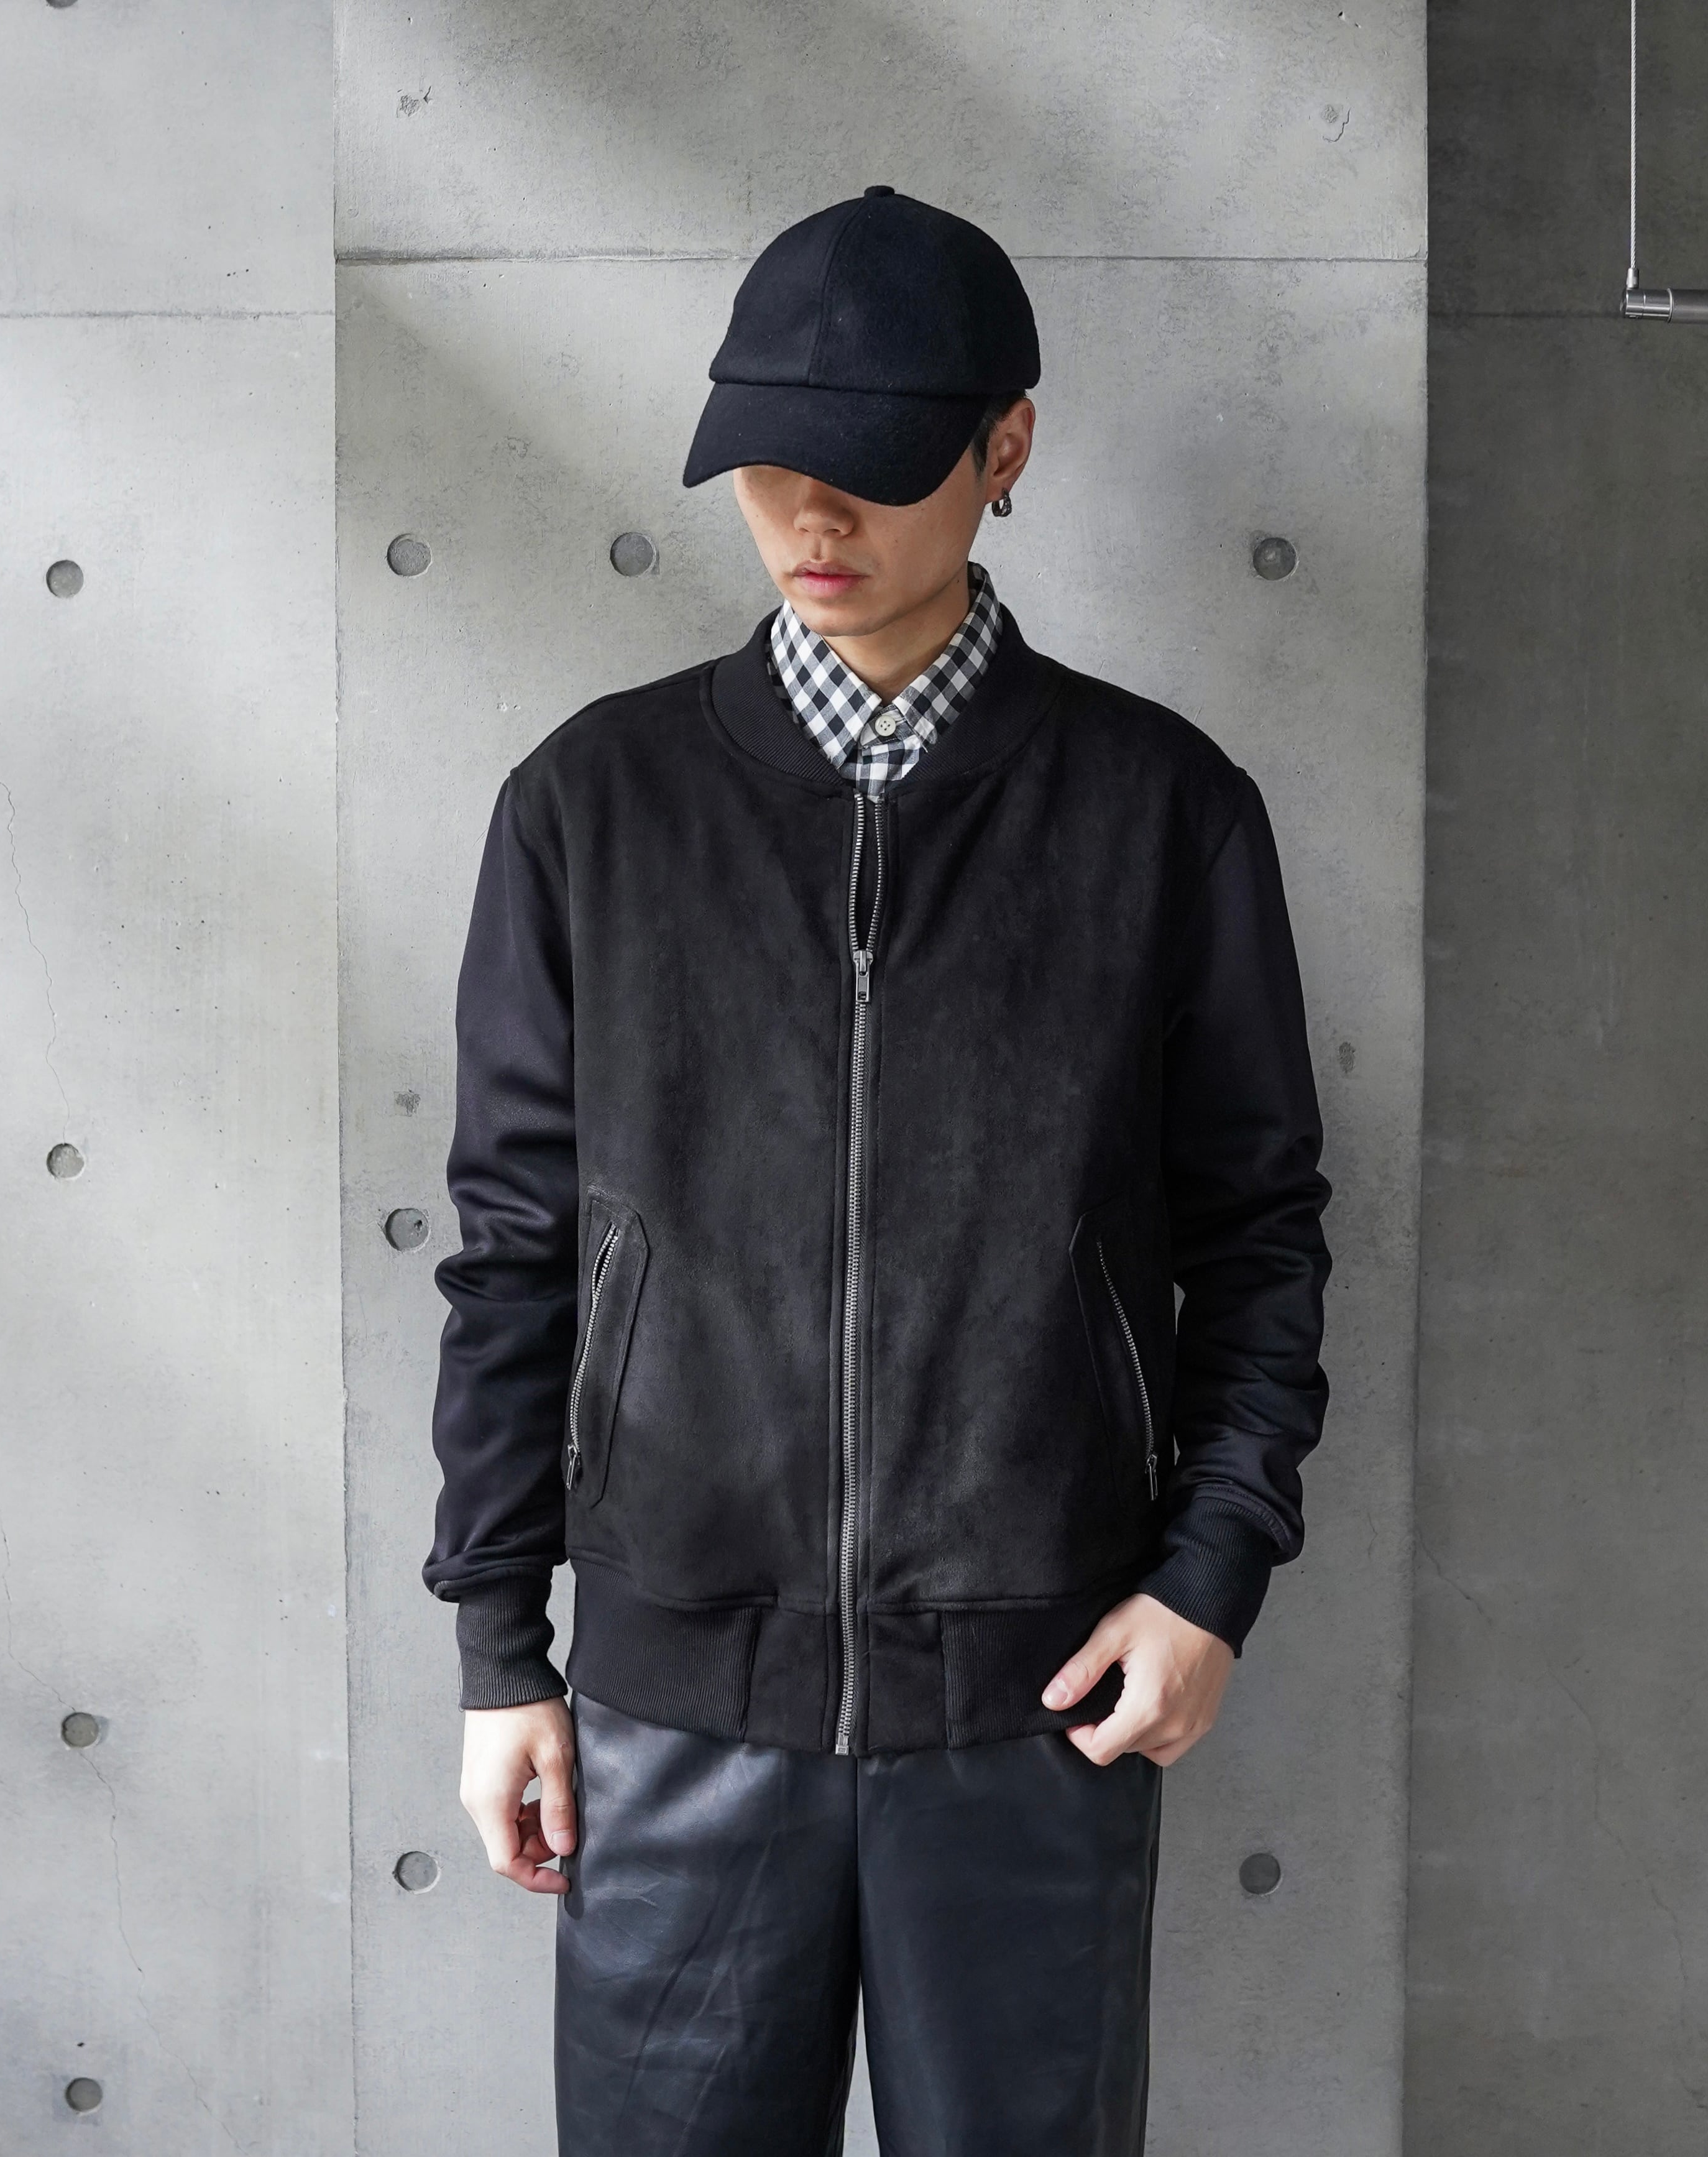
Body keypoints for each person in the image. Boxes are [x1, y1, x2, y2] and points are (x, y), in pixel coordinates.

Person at [421, 185, 1331, 2156]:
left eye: (872, 466)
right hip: (673, 1717)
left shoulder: (1161, 813)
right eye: (767, 465)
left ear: (1007, 446)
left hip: (1034, 1715)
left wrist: (1210, 1580)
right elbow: (514, 1255)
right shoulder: (596, 806)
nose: (810, 517)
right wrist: (502, 1651)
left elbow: (1261, 1239)